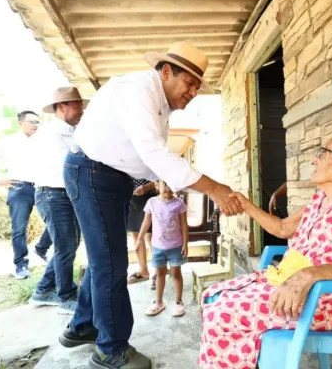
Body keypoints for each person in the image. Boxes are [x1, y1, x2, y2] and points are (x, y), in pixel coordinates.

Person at [57, 42, 241, 369]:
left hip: (111, 178)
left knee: (105, 258)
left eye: (198, 87)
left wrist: (168, 182)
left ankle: (83, 325)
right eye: (190, 83)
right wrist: (214, 188)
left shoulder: (162, 106)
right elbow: (153, 153)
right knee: (110, 262)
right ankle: (111, 350)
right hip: (91, 173)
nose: (193, 92)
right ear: (166, 72)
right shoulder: (136, 89)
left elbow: (152, 161)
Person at [198, 134, 332, 368]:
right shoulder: (320, 198)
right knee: (212, 295)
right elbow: (283, 228)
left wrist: (309, 275)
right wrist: (246, 205)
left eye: (323, 153)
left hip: (321, 300)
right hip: (294, 286)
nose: (314, 159)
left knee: (220, 312)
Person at [28, 87, 86, 314]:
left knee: (68, 246)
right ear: (61, 108)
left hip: (67, 195)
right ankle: (66, 297)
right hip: (53, 194)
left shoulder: (74, 132)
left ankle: (42, 291)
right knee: (66, 246)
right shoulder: (49, 134)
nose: (81, 110)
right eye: (76, 105)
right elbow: (72, 161)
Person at [0, 111, 53, 279]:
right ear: (20, 123)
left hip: (42, 187)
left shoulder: (45, 141)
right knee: (19, 229)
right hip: (19, 188)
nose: (35, 124)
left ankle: (41, 248)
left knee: (58, 219)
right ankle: (21, 265)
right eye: (31, 121)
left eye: (38, 121)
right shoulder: (9, 142)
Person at [137, 180, 188, 317]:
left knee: (176, 273)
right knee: (160, 274)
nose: (168, 187)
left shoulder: (179, 204)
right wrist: (140, 238)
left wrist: (185, 243)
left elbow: (184, 224)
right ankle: (159, 302)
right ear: (156, 185)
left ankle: (178, 302)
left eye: (171, 184)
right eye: (164, 184)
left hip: (176, 246)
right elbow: (146, 221)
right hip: (158, 247)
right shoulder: (151, 202)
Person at [126, 179, 157, 289]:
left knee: (151, 234)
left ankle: (158, 271)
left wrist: (145, 188)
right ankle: (144, 271)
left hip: (150, 196)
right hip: (130, 197)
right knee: (136, 233)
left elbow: (161, 178)